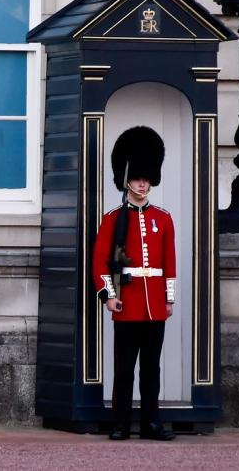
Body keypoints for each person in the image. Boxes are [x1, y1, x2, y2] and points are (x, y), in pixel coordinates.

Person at [92, 125, 177, 441]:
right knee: (124, 369)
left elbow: (169, 263)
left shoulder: (163, 218)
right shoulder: (113, 219)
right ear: (127, 180)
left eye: (146, 177)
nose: (143, 182)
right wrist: (108, 296)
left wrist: (169, 299)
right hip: (126, 305)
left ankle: (151, 424)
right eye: (138, 177)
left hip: (154, 305)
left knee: (151, 371)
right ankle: (121, 423)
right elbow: (100, 261)